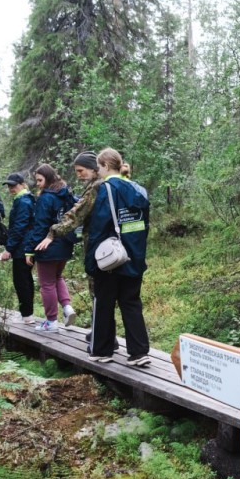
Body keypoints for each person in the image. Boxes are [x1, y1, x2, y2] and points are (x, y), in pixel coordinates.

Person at [84, 148, 151, 367]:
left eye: (99, 167)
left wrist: (92, 262)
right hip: (134, 256)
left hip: (111, 259)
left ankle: (102, 351)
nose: (98, 171)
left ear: (104, 166)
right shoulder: (138, 189)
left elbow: (99, 228)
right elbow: (144, 224)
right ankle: (139, 352)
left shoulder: (105, 190)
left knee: (104, 302)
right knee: (131, 303)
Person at [25, 164, 78, 332]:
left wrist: (30, 249)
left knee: (47, 283)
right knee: (57, 277)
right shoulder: (66, 194)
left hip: (47, 245)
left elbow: (40, 226)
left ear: (48, 179)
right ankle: (67, 307)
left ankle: (51, 321)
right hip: (65, 243)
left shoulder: (45, 198)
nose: (38, 184)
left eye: (40, 180)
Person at [0, 173, 36, 324]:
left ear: (22, 184)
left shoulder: (23, 202)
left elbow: (19, 228)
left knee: (21, 281)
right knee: (26, 280)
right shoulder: (25, 199)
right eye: (8, 186)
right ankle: (28, 314)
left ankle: (27, 315)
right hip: (25, 247)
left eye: (13, 185)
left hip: (22, 248)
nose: (10, 188)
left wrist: (9, 249)